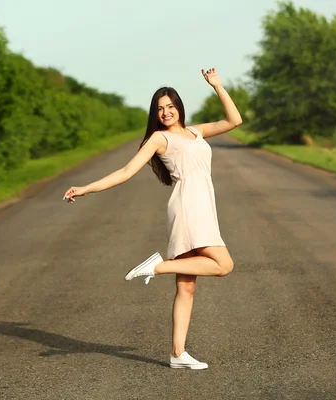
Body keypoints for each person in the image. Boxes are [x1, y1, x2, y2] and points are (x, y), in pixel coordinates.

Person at [63, 68, 242, 370]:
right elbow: (125, 172)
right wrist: (86, 189)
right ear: (156, 115)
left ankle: (177, 353)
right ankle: (156, 266)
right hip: (188, 207)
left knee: (187, 287)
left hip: (202, 205)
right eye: (160, 109)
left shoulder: (196, 132)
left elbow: (234, 121)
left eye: (170, 106)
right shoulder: (159, 139)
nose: (166, 112)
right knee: (224, 265)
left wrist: (218, 86)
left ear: (179, 107)